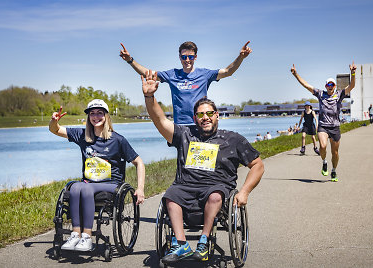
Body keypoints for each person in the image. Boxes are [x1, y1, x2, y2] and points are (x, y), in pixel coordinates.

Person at [141, 70, 264, 264]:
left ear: (217, 115)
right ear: (195, 118)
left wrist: (245, 192)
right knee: (171, 196)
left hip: (217, 188)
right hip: (186, 186)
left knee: (215, 195)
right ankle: (181, 243)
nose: (205, 117)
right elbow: (160, 120)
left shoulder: (233, 139)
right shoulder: (184, 134)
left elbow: (257, 165)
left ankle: (204, 242)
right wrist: (149, 96)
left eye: (209, 113)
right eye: (200, 114)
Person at [49, 99, 145, 251]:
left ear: (106, 116)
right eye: (92, 114)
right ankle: (75, 234)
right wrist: (53, 121)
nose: (96, 117)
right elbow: (55, 130)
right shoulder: (82, 135)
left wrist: (140, 188)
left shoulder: (117, 139)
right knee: (74, 187)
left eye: (100, 113)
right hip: (89, 182)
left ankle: (86, 237)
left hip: (112, 184)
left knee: (85, 189)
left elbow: (139, 162)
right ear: (88, 117)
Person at [120, 41, 252, 125]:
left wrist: (241, 57)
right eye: (184, 57)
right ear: (179, 57)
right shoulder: (172, 74)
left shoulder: (204, 74)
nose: (187, 60)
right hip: (181, 126)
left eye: (190, 57)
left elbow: (228, 71)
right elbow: (147, 73)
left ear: (195, 57)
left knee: (202, 164)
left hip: (201, 123)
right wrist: (130, 60)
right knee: (183, 164)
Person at [291, 62, 357, 182]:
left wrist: (353, 72)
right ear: (326, 86)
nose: (330, 86)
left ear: (335, 86)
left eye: (332, 84)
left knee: (335, 153)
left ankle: (334, 171)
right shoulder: (320, 94)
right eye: (328, 84)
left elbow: (352, 86)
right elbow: (306, 85)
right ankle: (324, 162)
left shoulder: (340, 94)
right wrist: (296, 75)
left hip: (335, 127)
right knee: (322, 145)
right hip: (323, 126)